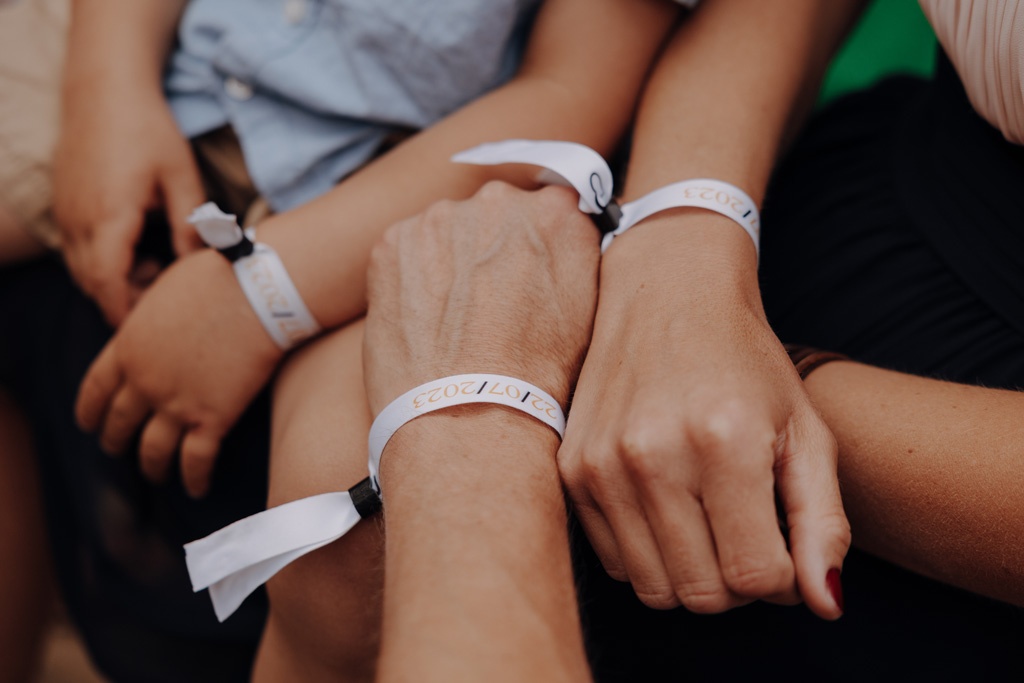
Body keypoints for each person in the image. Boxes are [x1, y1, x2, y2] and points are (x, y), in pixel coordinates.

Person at [0, 0, 687, 679]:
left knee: (340, 520)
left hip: (397, 177)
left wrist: (264, 298)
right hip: (151, 53)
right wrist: (108, 89)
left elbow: (569, 88)